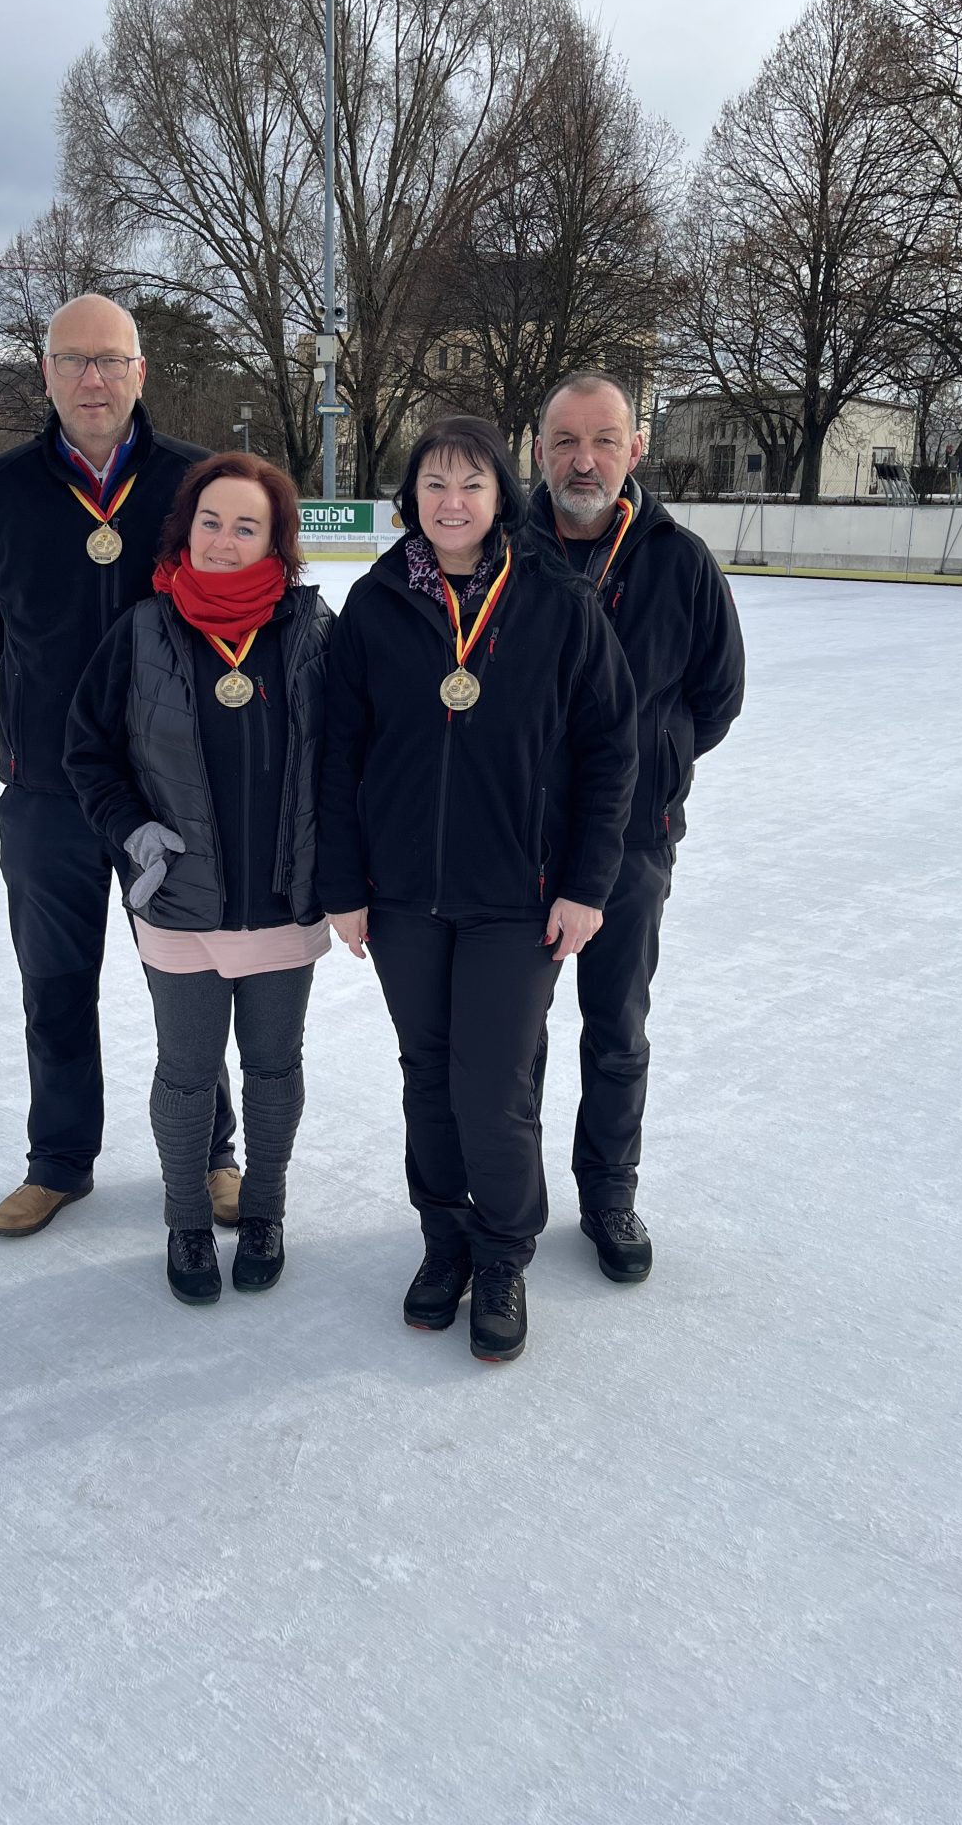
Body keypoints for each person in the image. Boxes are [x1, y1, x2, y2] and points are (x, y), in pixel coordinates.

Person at [318, 416, 637, 1362]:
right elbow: (337, 758)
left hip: (518, 896)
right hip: (406, 895)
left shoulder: (556, 601)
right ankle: (444, 1238)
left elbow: (612, 752)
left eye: (471, 485)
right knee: (428, 1077)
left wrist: (585, 884)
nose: (450, 504)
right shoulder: (375, 606)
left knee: (493, 1085)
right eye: (432, 487)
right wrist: (345, 884)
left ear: (502, 496)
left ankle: (503, 1251)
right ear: (409, 501)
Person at [0, 295, 238, 1240]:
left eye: (110, 361)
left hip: (172, 791)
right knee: (54, 979)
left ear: (141, 373)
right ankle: (60, 1162)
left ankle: (211, 1153)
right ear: (44, 372)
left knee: (191, 979)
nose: (91, 378)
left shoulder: (196, 481)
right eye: (72, 360)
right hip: (47, 790)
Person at [65, 454, 332, 1304]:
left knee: (273, 1067)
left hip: (286, 899)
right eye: (210, 522)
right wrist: (131, 831)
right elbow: (88, 752)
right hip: (179, 903)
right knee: (186, 1073)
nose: (224, 540)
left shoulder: (313, 629)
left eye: (246, 525)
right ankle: (186, 1221)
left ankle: (264, 1211)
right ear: (185, 529)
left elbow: (357, 753)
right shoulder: (143, 631)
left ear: (276, 541)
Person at [529, 370, 745, 1283]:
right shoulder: (503, 549)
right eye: (565, 442)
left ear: (635, 449)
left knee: (615, 1030)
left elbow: (718, 695)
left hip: (631, 845)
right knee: (511, 1038)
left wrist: (652, 763)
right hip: (519, 842)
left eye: (603, 441)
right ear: (537, 453)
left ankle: (608, 1192)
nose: (584, 461)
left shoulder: (681, 561)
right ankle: (505, 1199)